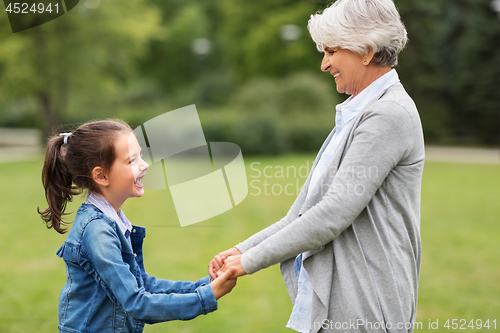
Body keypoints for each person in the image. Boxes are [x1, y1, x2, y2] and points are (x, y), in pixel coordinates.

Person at [209, 0, 424, 332]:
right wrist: (241, 249)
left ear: (365, 49)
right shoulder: (358, 114)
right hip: (344, 300)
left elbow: (333, 214)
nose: (324, 65)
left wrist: (248, 262)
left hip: (368, 303)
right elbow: (303, 213)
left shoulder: (387, 114)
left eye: (331, 51)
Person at [38, 120, 237, 333]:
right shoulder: (97, 231)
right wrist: (207, 297)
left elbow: (142, 284)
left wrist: (205, 285)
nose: (144, 164)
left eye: (140, 155)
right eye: (131, 160)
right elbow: (137, 302)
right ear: (101, 176)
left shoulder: (112, 221)